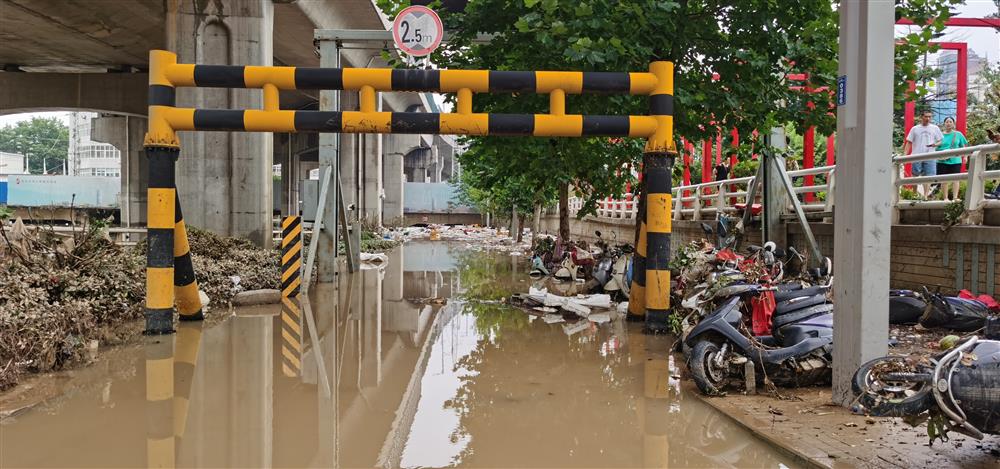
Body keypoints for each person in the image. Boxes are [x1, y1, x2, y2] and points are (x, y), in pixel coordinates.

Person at [903, 110, 944, 198]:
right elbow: (909, 142)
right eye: (926, 116)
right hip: (916, 155)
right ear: (922, 117)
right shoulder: (915, 128)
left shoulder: (935, 128)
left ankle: (925, 196)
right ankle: (914, 194)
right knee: (915, 175)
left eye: (930, 117)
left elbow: (940, 140)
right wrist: (905, 155)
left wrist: (935, 144)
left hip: (930, 155)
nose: (928, 118)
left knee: (928, 176)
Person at [935, 116, 967, 202]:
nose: (948, 123)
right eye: (947, 122)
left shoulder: (958, 134)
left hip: (955, 160)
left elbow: (964, 146)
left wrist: (965, 156)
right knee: (943, 179)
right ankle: (945, 198)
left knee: (956, 179)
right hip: (942, 160)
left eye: (950, 122)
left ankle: (955, 197)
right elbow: (935, 147)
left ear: (953, 123)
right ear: (944, 123)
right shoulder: (939, 135)